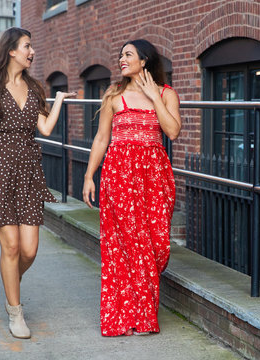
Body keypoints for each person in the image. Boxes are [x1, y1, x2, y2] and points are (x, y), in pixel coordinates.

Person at [0, 27, 76, 339]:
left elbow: (46, 128)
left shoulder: (35, 87)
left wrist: (61, 100)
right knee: (10, 246)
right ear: (11, 50)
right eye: (27, 46)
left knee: (29, 250)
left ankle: (10, 280)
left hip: (28, 171)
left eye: (31, 46)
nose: (32, 51)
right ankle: (16, 311)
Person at [82, 39, 181, 336]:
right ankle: (129, 317)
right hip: (119, 176)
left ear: (145, 60)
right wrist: (89, 175)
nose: (122, 60)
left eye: (128, 55)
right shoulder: (114, 94)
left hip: (154, 178)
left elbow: (173, 131)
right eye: (121, 55)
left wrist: (154, 96)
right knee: (123, 246)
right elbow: (101, 139)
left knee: (155, 245)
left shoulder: (166, 93)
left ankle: (141, 309)